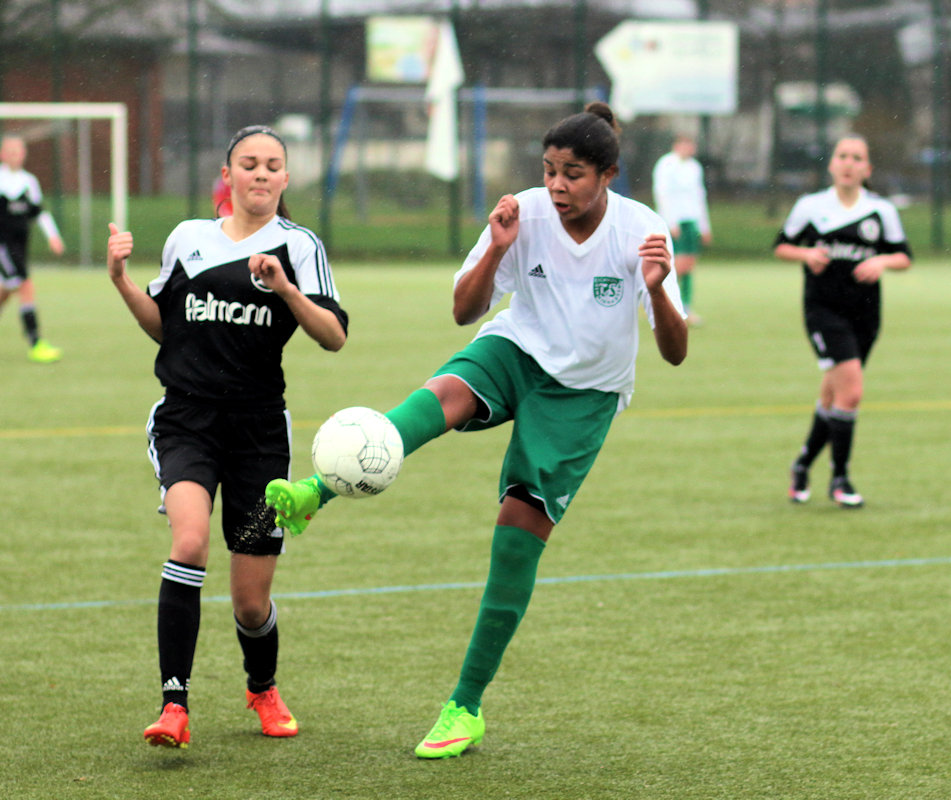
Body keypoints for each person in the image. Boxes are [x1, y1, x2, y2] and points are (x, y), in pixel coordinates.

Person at [265, 101, 688, 759]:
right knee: (441, 395)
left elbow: (675, 352)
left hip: (584, 394)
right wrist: (496, 246)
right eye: (548, 171)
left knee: (516, 540)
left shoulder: (642, 231)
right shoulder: (524, 213)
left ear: (608, 174)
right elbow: (464, 311)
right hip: (517, 347)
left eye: (571, 174)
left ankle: (464, 705)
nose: (555, 186)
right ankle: (316, 492)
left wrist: (658, 289)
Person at [106, 125, 349, 749]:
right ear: (229, 174)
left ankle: (262, 687)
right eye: (250, 164)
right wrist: (122, 282)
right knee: (188, 543)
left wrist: (284, 288)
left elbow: (333, 336)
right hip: (188, 421)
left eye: (273, 165)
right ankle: (174, 705)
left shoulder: (299, 246)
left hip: (259, 435)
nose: (261, 174)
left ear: (286, 178)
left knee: (249, 604)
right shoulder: (189, 239)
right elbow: (168, 330)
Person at [773, 134, 911, 508]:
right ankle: (840, 479)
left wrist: (880, 261)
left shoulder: (881, 211)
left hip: (866, 314)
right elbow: (781, 246)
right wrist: (805, 254)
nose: (849, 163)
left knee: (834, 394)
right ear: (832, 164)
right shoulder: (810, 206)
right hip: (822, 311)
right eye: (842, 156)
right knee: (851, 391)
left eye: (857, 158)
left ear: (867, 169)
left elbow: (903, 256)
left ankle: (801, 465)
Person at [0, 134, 66, 363]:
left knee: (5, 291)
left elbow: (39, 212)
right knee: (26, 286)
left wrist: (53, 236)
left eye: (19, 150)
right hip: (3, 247)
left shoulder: (29, 182)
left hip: (19, 246)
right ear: (2, 154)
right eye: (10, 151)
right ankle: (36, 343)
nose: (15, 155)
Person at [652, 133, 711, 324]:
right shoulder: (667, 164)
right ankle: (661, 300)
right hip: (676, 222)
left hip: (692, 221)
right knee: (677, 264)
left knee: (689, 265)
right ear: (677, 145)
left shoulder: (695, 167)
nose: (690, 149)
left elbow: (699, 196)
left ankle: (684, 305)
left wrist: (704, 226)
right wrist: (670, 222)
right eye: (686, 144)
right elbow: (662, 194)